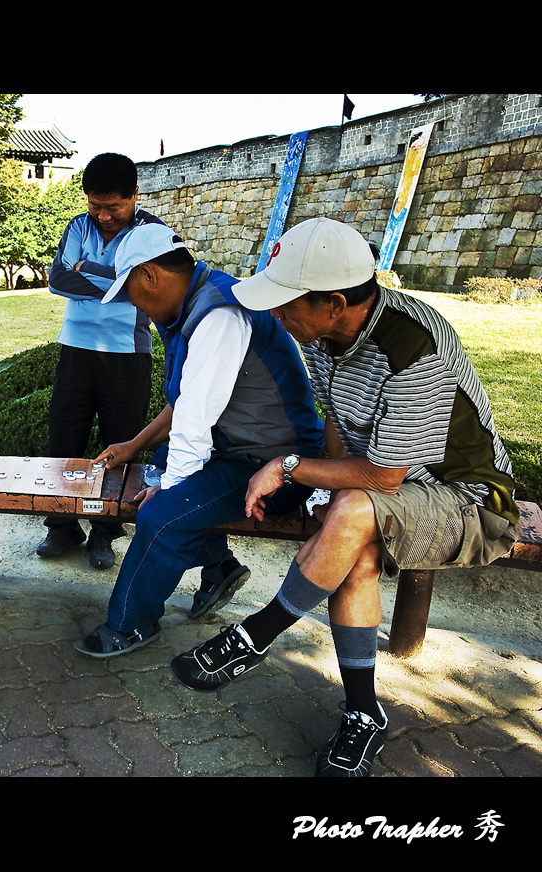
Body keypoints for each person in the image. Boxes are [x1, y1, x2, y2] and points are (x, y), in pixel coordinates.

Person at [170, 217, 520, 777]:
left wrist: (289, 467)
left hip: (469, 501)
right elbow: (339, 421)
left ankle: (255, 635)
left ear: (334, 304)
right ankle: (363, 713)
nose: (274, 315)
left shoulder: (415, 349)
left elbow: (382, 479)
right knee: (353, 548)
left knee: (356, 509)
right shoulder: (323, 336)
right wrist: (326, 488)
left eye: (286, 303)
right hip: (391, 492)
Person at [73, 223, 325, 657]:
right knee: (160, 467)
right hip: (239, 449)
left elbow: (194, 417)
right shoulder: (195, 302)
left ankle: (130, 624)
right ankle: (220, 567)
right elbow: (188, 399)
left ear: (150, 275)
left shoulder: (218, 315)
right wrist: (135, 446)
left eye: (131, 293)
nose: (136, 306)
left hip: (275, 468)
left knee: (162, 515)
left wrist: (170, 490)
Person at [37, 153, 165, 570]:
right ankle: (61, 525)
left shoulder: (151, 234)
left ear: (135, 196)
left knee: (121, 442)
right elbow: (58, 279)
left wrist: (87, 269)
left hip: (128, 354)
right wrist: (118, 281)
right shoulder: (78, 226)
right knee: (64, 440)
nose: (104, 216)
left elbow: (148, 286)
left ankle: (105, 531)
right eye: (96, 206)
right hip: (75, 348)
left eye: (114, 207)